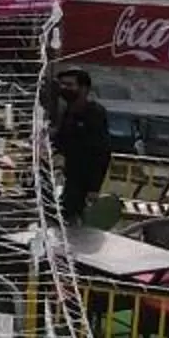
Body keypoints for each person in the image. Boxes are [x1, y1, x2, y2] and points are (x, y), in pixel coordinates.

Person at [44, 66, 113, 224]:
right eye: (62, 84)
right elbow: (61, 141)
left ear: (83, 88)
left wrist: (94, 188)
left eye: (69, 85)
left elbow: (102, 152)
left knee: (70, 220)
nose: (64, 89)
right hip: (68, 176)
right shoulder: (68, 111)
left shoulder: (95, 113)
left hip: (83, 181)